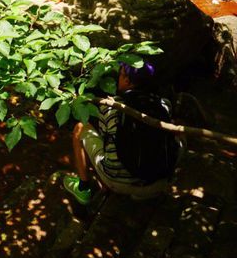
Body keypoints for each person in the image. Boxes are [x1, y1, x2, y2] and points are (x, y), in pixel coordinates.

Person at [63, 63, 181, 205]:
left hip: (118, 182)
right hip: (157, 182)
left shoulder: (112, 107)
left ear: (127, 81)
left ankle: (83, 188)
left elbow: (107, 140)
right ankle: (147, 193)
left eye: (121, 73)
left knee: (80, 128)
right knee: (179, 132)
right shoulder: (163, 105)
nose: (118, 76)